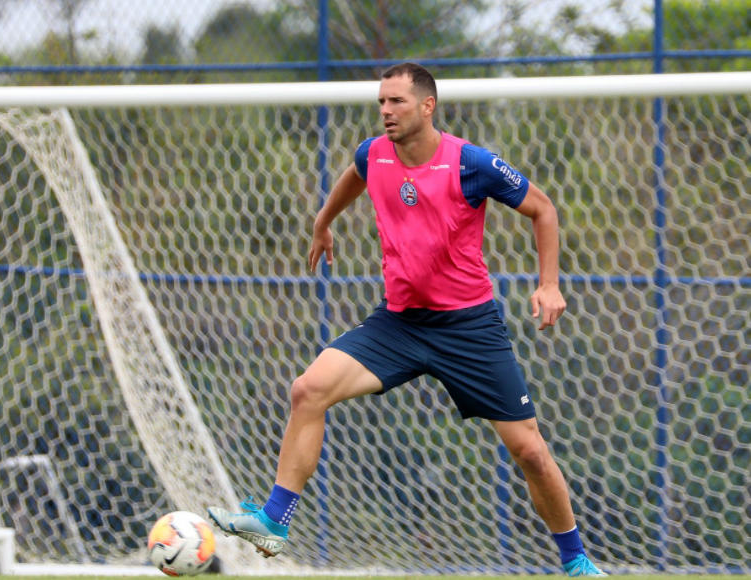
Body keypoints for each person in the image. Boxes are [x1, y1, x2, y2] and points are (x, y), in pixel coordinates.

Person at [207, 63, 607, 577]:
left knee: (529, 450)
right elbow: (355, 176)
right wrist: (323, 222)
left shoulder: (470, 163)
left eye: (396, 102)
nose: (385, 111)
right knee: (308, 389)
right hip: (398, 325)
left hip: (468, 328)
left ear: (427, 106)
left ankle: (576, 562)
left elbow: (543, 209)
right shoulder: (374, 153)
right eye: (381, 102)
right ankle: (275, 520)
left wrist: (549, 284)